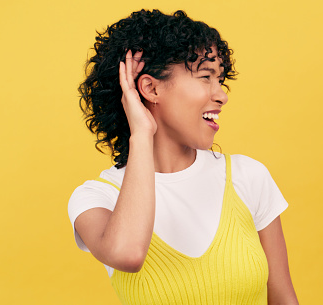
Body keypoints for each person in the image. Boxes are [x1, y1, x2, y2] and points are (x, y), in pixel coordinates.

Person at [68, 9, 299, 304]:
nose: (221, 95)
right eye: (205, 77)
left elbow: (283, 297)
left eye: (220, 79)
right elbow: (127, 254)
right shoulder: (97, 197)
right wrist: (141, 136)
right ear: (151, 88)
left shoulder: (247, 176)